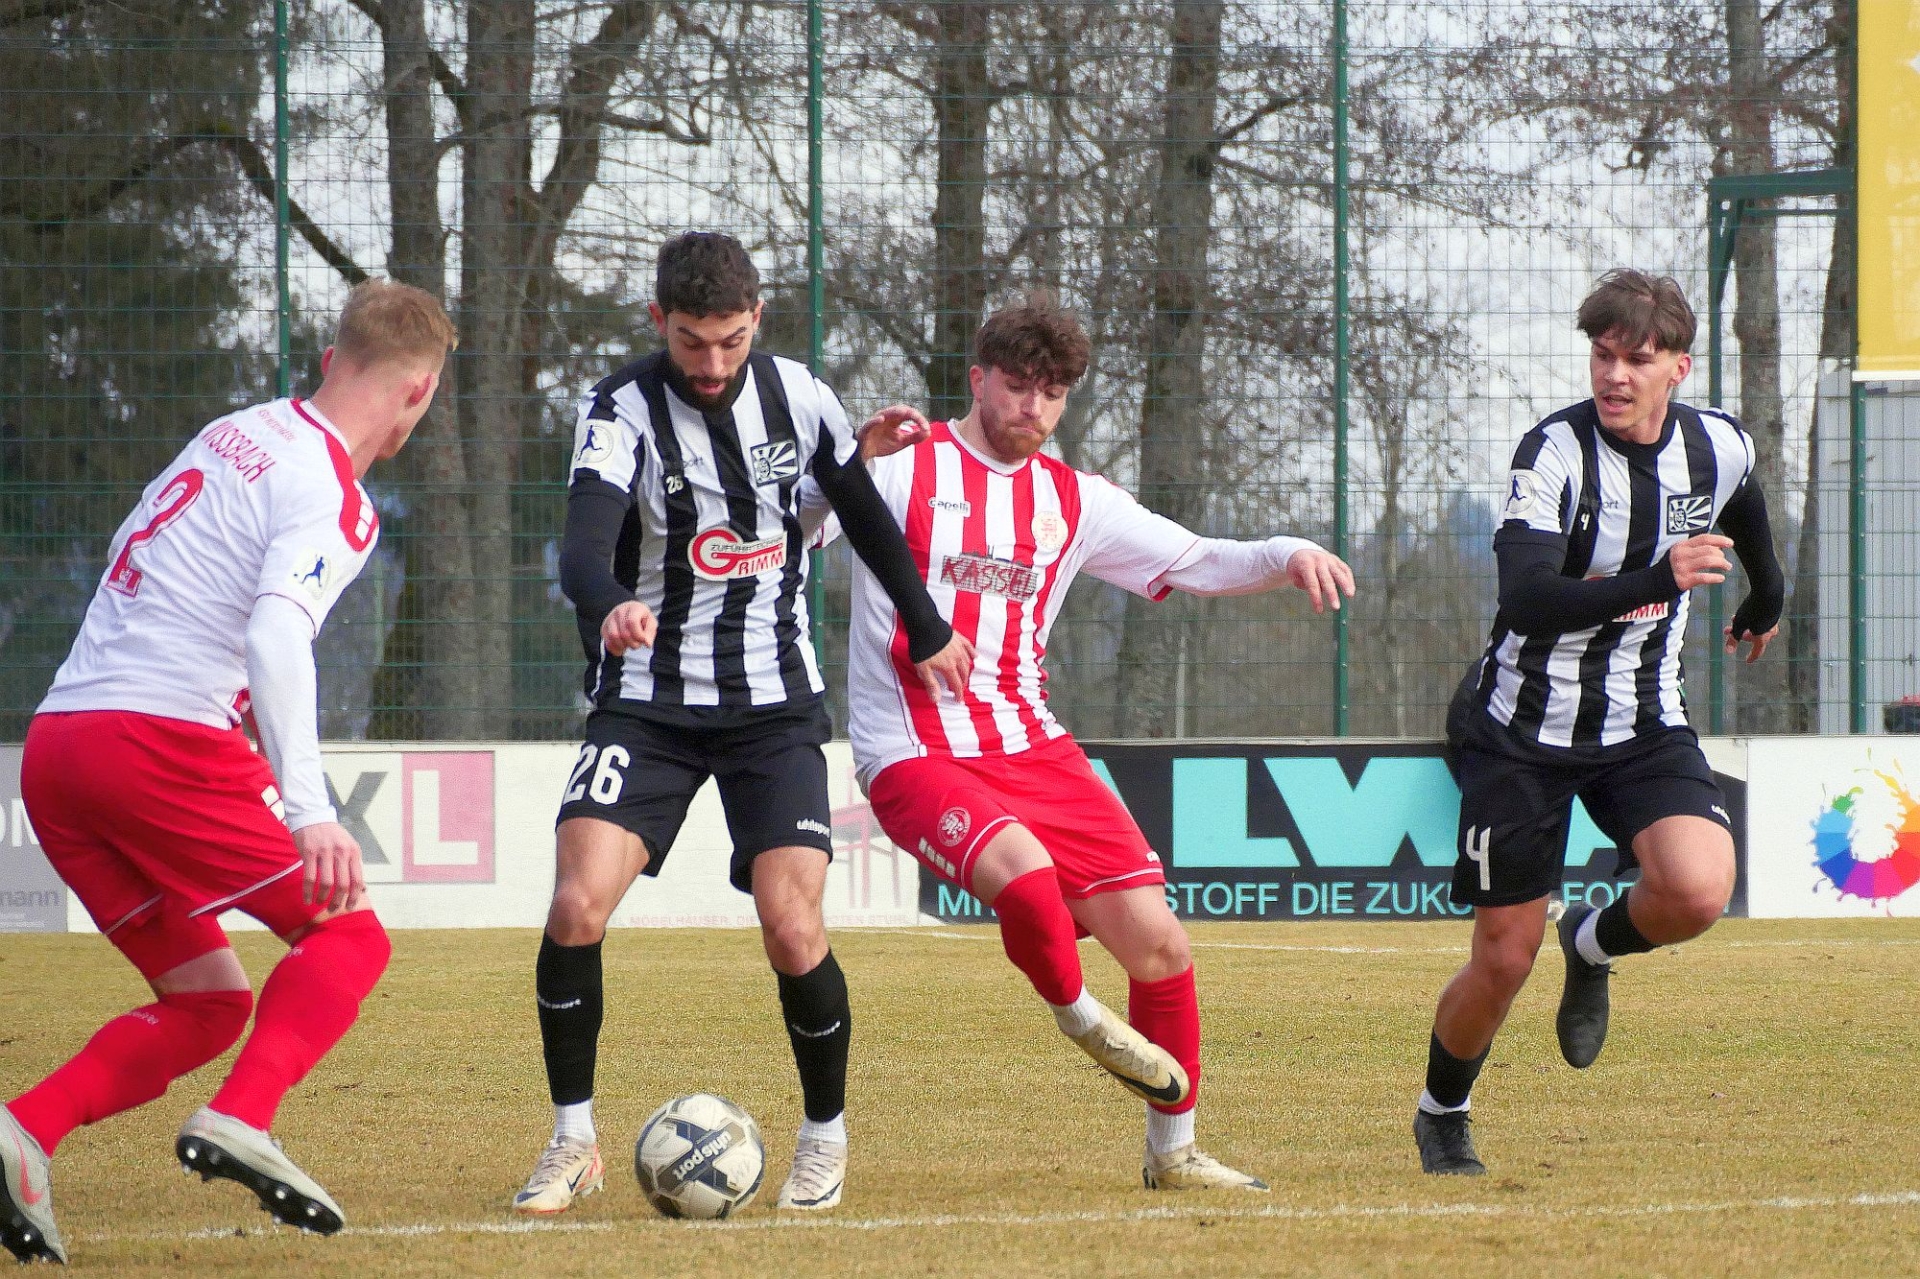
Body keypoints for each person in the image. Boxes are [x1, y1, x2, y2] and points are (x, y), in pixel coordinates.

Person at [819, 297, 1355, 1190]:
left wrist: (1286, 550)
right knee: (1027, 877)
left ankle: (1173, 1154)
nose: (1033, 406)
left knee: (1162, 946)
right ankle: (1084, 1020)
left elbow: (1196, 558)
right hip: (914, 751)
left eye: (1053, 391)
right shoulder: (906, 466)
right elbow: (801, 527)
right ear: (978, 379)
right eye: (1017, 385)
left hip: (1034, 747)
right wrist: (850, 460)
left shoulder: (1074, 500)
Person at [515, 232, 970, 1217]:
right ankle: (573, 1141)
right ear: (659, 322)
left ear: (757, 318)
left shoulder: (802, 397)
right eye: (691, 342)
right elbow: (581, 549)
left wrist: (929, 626)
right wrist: (610, 603)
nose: (712, 363)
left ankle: (824, 1142)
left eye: (730, 340)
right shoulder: (619, 411)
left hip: (774, 707)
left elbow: (860, 513)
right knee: (576, 905)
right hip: (647, 702)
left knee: (791, 925)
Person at [0, 279, 456, 1263]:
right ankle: (242, 1116)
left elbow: (134, 552)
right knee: (348, 935)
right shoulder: (335, 496)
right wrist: (309, 807)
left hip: (59, 745)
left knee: (208, 1001)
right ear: (419, 392)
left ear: (332, 360)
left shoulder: (235, 431)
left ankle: (22, 1129)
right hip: (155, 740)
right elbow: (276, 631)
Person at [1412, 269, 1784, 1176]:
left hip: (1642, 718)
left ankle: (1590, 942)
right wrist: (1659, 577)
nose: (1614, 374)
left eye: (1637, 359)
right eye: (1603, 355)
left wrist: (1768, 592)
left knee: (1698, 889)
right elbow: (1528, 598)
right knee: (1503, 958)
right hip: (1522, 729)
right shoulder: (1553, 455)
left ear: (1679, 368)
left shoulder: (1717, 445)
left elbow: (1744, 500)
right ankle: (1442, 1110)